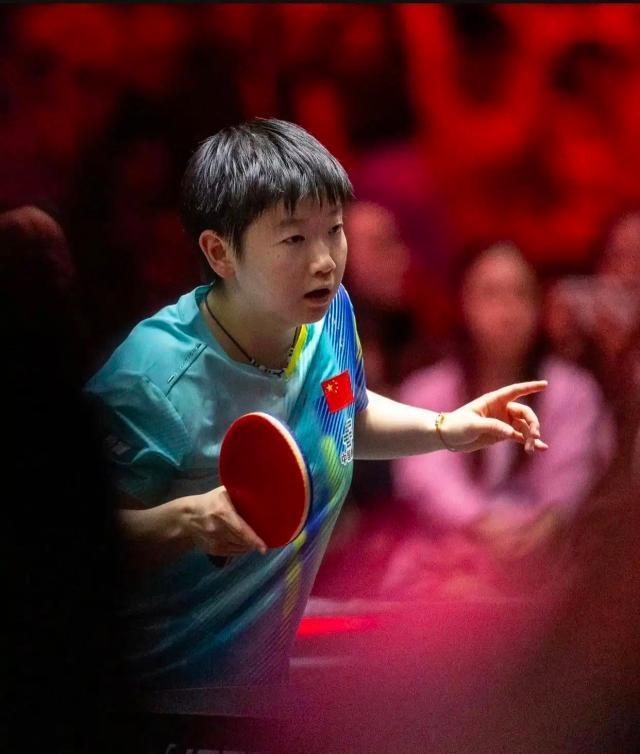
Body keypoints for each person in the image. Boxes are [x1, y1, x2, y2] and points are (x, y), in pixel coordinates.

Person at [84, 119, 547, 712]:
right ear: (220, 252)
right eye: (294, 240)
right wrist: (186, 520)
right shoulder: (150, 379)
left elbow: (342, 417)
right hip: (148, 707)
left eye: (333, 230)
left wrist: (444, 428)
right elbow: (59, 543)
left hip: (255, 705)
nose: (326, 261)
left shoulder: (326, 316)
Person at [388, 241, 614, 599]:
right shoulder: (426, 389)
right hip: (446, 562)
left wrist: (543, 527)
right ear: (463, 303)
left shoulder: (574, 389)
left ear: (540, 305)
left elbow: (572, 476)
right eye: (490, 294)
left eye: (520, 294)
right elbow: (426, 477)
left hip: (545, 559)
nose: (507, 311)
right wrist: (482, 523)